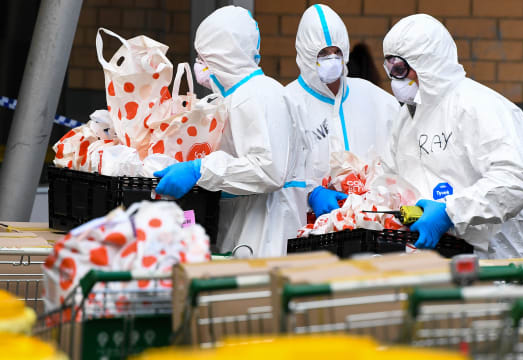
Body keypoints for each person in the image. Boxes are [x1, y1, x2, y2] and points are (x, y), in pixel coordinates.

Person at [381, 14, 523, 259]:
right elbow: (391, 181)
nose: (395, 78)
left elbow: (517, 178)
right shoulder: (407, 119)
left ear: (427, 62)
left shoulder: (479, 106)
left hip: (494, 268)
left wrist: (451, 212)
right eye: (390, 68)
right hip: (430, 264)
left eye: (400, 68)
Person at [154, 6, 306, 258]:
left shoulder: (258, 95)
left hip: (266, 231)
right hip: (243, 224)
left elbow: (268, 170)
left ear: (222, 56)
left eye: (203, 58)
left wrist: (199, 170)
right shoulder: (236, 97)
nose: (199, 65)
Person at [285, 4, 400, 220]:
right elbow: (275, 173)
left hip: (369, 225)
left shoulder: (376, 100)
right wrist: (311, 193)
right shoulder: (287, 103)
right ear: (306, 54)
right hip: (307, 228)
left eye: (337, 52)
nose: (332, 59)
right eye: (323, 53)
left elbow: (402, 159)